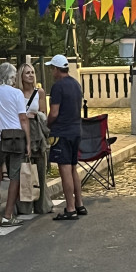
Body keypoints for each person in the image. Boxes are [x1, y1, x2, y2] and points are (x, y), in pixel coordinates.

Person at [0, 62, 30, 226]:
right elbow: (23, 119)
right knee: (14, 175)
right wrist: (28, 142)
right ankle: (8, 214)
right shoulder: (17, 93)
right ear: (11, 77)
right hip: (16, 137)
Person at [45, 54, 86, 220]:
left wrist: (47, 124)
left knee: (65, 169)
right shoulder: (75, 84)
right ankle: (79, 204)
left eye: (51, 68)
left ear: (56, 69)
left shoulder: (58, 87)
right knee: (73, 167)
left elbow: (54, 112)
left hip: (62, 132)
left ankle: (70, 208)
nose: (51, 72)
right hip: (76, 129)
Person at [15, 63, 52, 216]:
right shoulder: (16, 92)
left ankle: (42, 204)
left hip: (37, 131)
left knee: (40, 169)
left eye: (32, 72)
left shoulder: (40, 92)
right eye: (27, 73)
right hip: (22, 131)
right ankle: (24, 205)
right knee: (24, 169)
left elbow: (44, 113)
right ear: (21, 76)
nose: (30, 75)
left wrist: (36, 116)